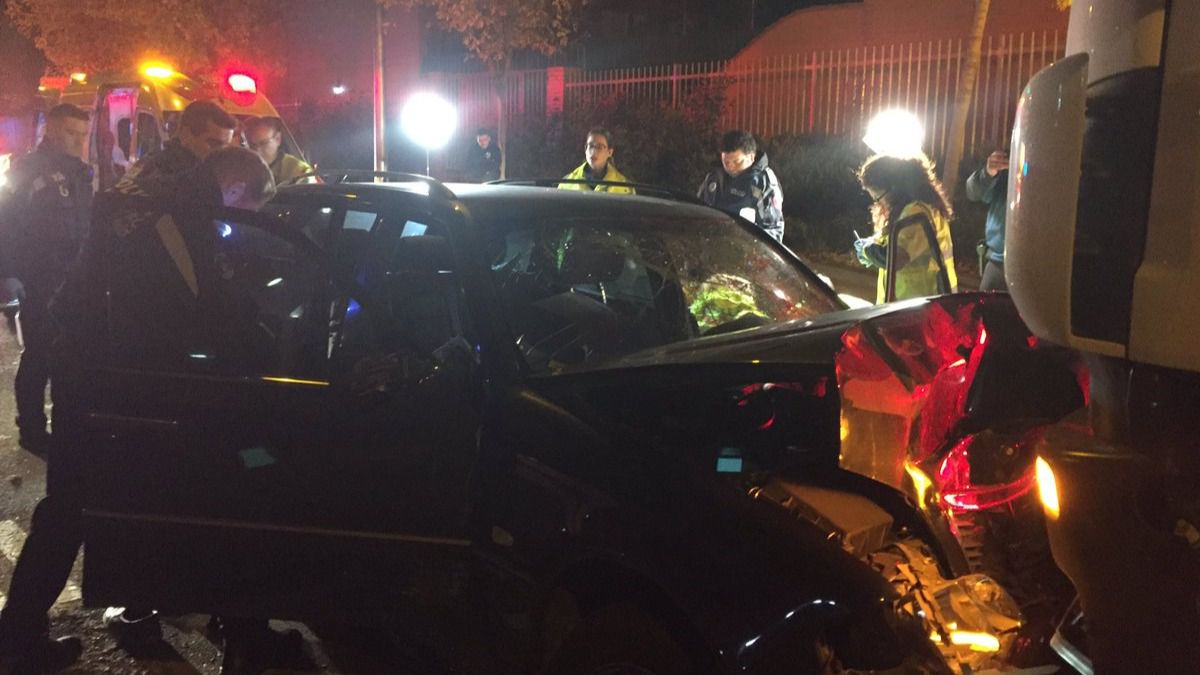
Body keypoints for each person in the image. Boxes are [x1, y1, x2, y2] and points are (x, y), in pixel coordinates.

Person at [0, 147, 277, 675]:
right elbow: (210, 310)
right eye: (245, 212)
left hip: (90, 381)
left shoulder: (140, 202)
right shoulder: (179, 221)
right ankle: (220, 624)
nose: (233, 225)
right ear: (234, 191)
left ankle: (19, 637)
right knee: (197, 499)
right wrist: (264, 347)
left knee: (67, 512)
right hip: (125, 392)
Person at [0, 103, 93, 455]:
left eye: (83, 134)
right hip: (38, 279)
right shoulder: (28, 171)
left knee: (69, 357)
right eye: (71, 133)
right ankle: (32, 430)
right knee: (39, 356)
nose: (78, 141)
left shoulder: (81, 173)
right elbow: (6, 224)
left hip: (73, 279)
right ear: (51, 131)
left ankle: (68, 428)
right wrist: (8, 274)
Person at [854, 154, 957, 304]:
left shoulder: (915, 213)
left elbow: (897, 258)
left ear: (893, 188)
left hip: (919, 306)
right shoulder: (918, 209)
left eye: (878, 197)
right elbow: (900, 241)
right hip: (923, 304)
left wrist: (868, 250)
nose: (879, 203)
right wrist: (875, 241)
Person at [697, 130, 785, 242]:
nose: (731, 167)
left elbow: (773, 230)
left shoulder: (763, 183)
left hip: (743, 248)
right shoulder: (714, 177)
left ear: (751, 157)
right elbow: (697, 209)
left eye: (737, 162)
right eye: (726, 162)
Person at [126, 100, 237, 181]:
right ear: (186, 135)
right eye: (213, 144)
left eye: (226, 147)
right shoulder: (181, 177)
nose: (221, 153)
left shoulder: (148, 163)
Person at [965, 149, 1010, 291]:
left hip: (1041, 264)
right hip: (1000, 263)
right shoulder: (1007, 161)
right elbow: (973, 192)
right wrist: (989, 172)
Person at [560, 128, 634, 194]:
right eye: (591, 146)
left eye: (599, 147)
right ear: (585, 149)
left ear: (609, 152)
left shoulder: (624, 187)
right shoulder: (567, 182)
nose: (593, 151)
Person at [245, 117, 313, 185]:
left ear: (278, 139)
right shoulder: (246, 169)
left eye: (264, 143)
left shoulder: (300, 171)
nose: (257, 151)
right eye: (252, 145)